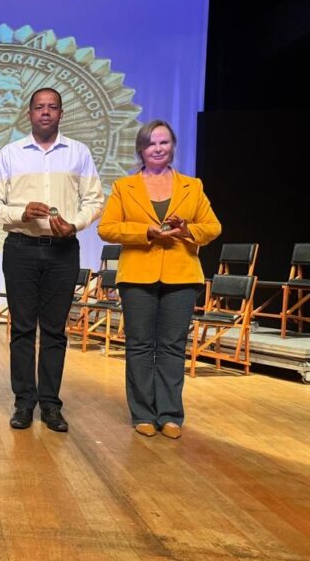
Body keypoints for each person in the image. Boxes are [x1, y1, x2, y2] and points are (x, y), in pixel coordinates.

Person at [0, 87, 105, 432]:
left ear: (61, 114)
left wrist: (76, 224)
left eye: (52, 107)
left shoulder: (78, 153)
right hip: (21, 249)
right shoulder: (11, 153)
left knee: (54, 331)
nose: (46, 113)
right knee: (22, 329)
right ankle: (24, 402)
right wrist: (21, 213)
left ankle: (51, 404)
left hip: (63, 250)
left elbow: (95, 201)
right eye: (40, 107)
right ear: (30, 114)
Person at [97, 120, 220, 439]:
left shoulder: (192, 186)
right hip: (137, 274)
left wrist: (187, 230)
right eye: (151, 143)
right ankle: (143, 413)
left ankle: (170, 414)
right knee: (139, 345)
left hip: (182, 275)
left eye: (164, 143)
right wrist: (144, 232)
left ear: (173, 147)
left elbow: (213, 227)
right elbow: (107, 228)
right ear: (141, 148)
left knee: (172, 346)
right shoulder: (125, 187)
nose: (158, 148)